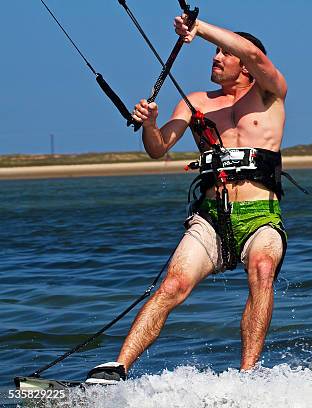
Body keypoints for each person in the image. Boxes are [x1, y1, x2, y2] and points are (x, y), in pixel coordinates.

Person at [86, 13, 289, 384]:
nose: (215, 58)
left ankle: (247, 377)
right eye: (214, 52)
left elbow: (256, 56)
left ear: (245, 65)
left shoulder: (269, 94)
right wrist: (149, 124)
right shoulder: (196, 102)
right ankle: (116, 370)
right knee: (171, 285)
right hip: (210, 218)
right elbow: (158, 148)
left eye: (223, 53)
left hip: (260, 215)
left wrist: (201, 27)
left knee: (262, 269)